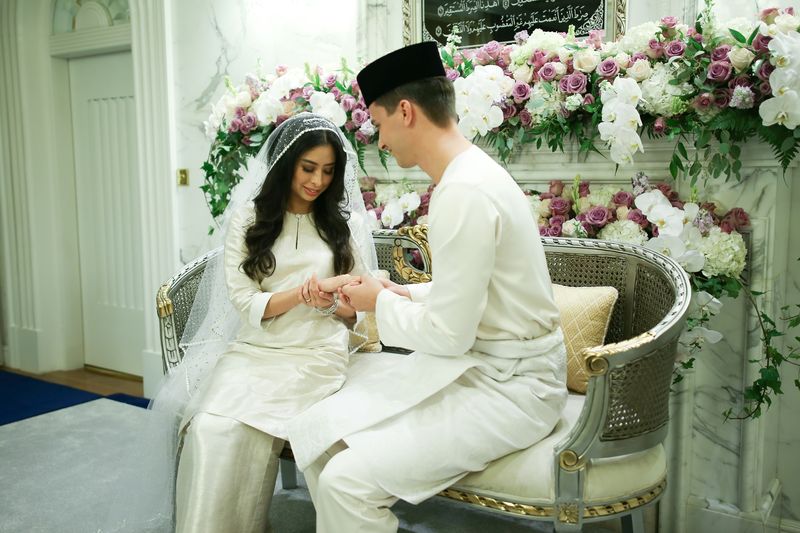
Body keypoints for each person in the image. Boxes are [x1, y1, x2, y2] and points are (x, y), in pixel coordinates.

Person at [285, 42, 568, 532]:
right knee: (317, 430)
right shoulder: (471, 174)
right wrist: (394, 292)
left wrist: (377, 306)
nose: (381, 141)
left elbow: (450, 335)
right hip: (487, 366)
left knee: (344, 482)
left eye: (379, 123)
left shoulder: (462, 192)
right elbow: (470, 295)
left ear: (407, 111)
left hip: (513, 388)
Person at [164, 112, 377, 532]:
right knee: (213, 428)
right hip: (255, 350)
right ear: (286, 163)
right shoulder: (249, 220)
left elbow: (358, 312)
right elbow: (245, 302)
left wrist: (331, 304)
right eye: (308, 168)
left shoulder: (339, 227)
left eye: (328, 171)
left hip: (316, 353)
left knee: (276, 428)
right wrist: (302, 293)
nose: (318, 181)